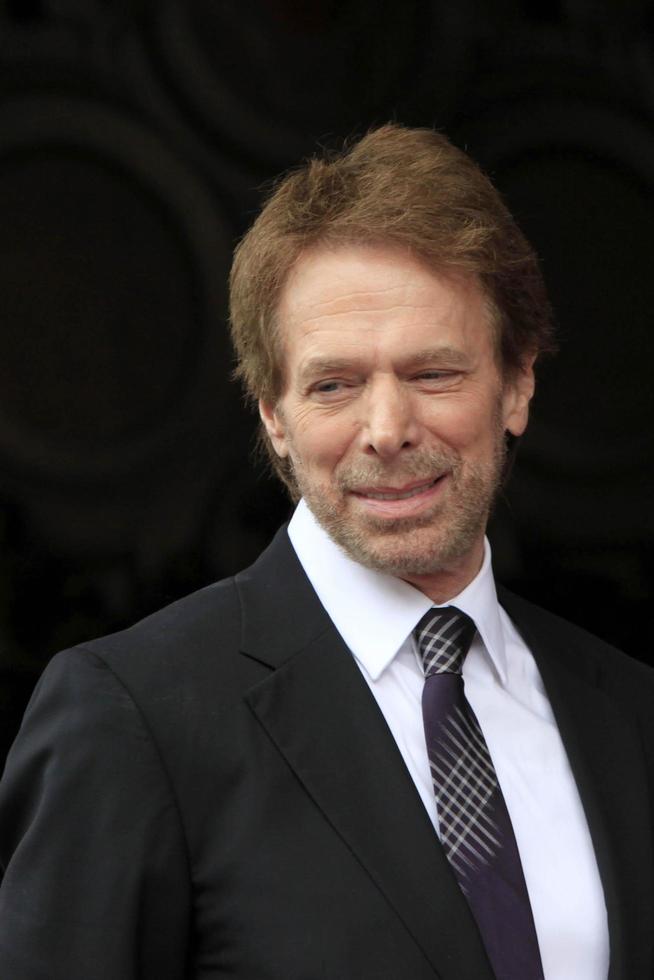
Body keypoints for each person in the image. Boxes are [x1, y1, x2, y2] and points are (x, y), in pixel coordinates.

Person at [0, 124, 652, 980]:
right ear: (273, 413)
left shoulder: (629, 714)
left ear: (518, 382)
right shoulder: (132, 719)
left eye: (433, 374)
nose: (385, 432)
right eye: (333, 385)